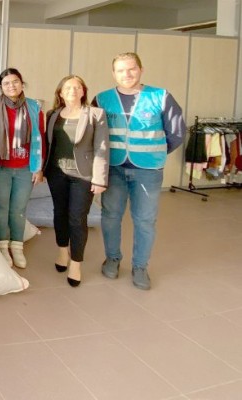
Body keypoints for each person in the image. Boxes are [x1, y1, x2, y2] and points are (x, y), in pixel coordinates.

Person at [92, 52, 185, 290]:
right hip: (113, 168)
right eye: (121, 70)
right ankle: (112, 258)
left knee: (145, 220)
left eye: (131, 69)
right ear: (113, 73)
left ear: (141, 69)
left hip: (148, 170)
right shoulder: (102, 99)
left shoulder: (160, 97)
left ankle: (140, 266)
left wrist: (155, 153)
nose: (127, 74)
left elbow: (176, 132)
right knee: (111, 216)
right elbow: (92, 134)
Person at [44, 75, 109, 287]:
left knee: (77, 218)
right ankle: (63, 251)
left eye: (77, 87)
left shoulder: (95, 114)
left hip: (83, 175)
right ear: (60, 93)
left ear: (83, 91)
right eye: (67, 87)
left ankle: (76, 263)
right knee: (59, 214)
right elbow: (46, 144)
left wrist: (100, 179)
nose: (72, 90)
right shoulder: (52, 114)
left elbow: (102, 148)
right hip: (56, 173)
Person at [0, 68, 45, 269]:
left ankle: (17, 246)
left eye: (15, 81)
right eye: (7, 83)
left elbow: (40, 138)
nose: (12, 86)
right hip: (0, 167)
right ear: (1, 87)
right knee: (0, 208)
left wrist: (38, 168)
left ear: (22, 83)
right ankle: (2, 246)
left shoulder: (34, 106)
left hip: (25, 168)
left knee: (19, 209)